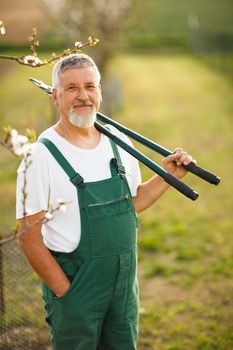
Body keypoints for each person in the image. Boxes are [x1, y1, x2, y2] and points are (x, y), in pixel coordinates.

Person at [16, 53, 195, 350]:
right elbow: (27, 236)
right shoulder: (40, 156)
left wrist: (169, 175)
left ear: (99, 91)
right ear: (55, 97)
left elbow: (131, 202)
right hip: (76, 287)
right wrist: (66, 293)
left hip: (124, 286)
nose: (83, 96)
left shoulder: (115, 138)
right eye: (71, 88)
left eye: (90, 86)